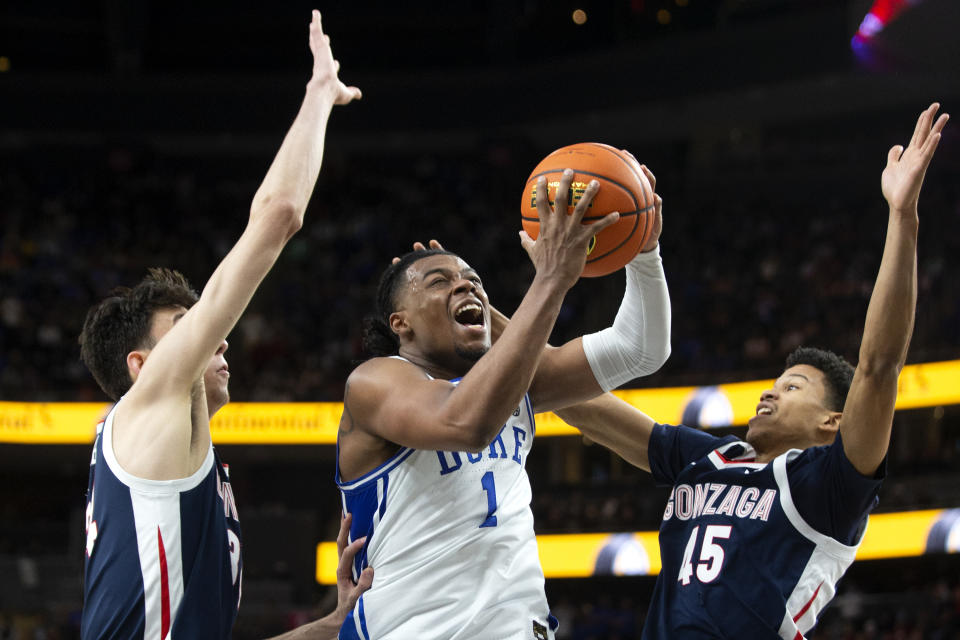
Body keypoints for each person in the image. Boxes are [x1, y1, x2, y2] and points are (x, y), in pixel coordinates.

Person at [554, 103, 949, 639]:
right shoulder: (710, 457)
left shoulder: (828, 488)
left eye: (792, 387)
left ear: (832, 422)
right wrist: (487, 333)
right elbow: (580, 404)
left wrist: (902, 218)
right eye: (774, 384)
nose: (769, 394)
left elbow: (878, 368)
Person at [78, 11, 369, 639]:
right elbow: (279, 216)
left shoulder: (176, 466)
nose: (219, 338)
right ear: (143, 364)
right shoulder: (149, 407)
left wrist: (334, 624)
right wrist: (320, 94)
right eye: (186, 326)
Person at [335, 163, 672, 639]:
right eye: (437, 282)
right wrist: (550, 279)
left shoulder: (516, 386)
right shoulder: (376, 381)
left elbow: (641, 349)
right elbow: (466, 424)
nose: (465, 285)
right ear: (400, 324)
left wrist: (643, 249)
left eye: (474, 279)